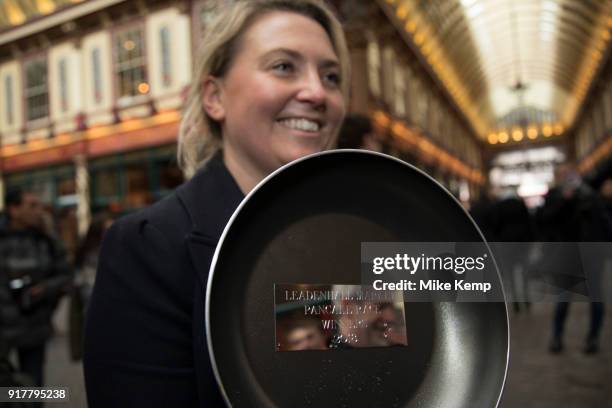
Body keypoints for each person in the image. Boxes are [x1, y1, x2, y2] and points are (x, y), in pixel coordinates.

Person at [83, 1, 350, 406]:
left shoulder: (355, 231)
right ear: (214, 97)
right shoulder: (149, 248)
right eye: (283, 66)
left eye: (331, 76)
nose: (317, 92)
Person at [0, 189, 73, 392]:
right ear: (13, 209)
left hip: (34, 326)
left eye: (39, 205)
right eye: (32, 206)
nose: (39, 211)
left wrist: (43, 290)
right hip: (4, 329)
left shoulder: (46, 240)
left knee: (32, 388)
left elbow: (65, 275)